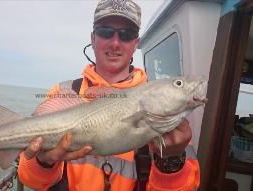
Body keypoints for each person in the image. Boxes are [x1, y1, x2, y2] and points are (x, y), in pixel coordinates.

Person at [18, 0, 200, 190]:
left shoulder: (164, 105)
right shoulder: (63, 93)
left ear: (136, 43)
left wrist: (171, 160)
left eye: (126, 35)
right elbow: (31, 180)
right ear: (93, 38)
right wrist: (43, 162)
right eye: (105, 31)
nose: (115, 43)